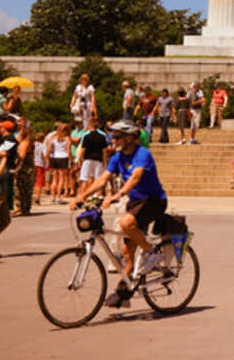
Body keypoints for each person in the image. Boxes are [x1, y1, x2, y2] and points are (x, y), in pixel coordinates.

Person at [69, 120, 171, 308]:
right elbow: (102, 179)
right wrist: (81, 196)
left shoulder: (143, 154)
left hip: (154, 201)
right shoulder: (117, 157)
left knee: (125, 224)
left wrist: (117, 195)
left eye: (117, 137)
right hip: (136, 202)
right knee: (126, 251)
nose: (112, 140)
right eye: (112, 136)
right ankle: (124, 293)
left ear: (131, 138)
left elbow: (136, 177)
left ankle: (152, 253)